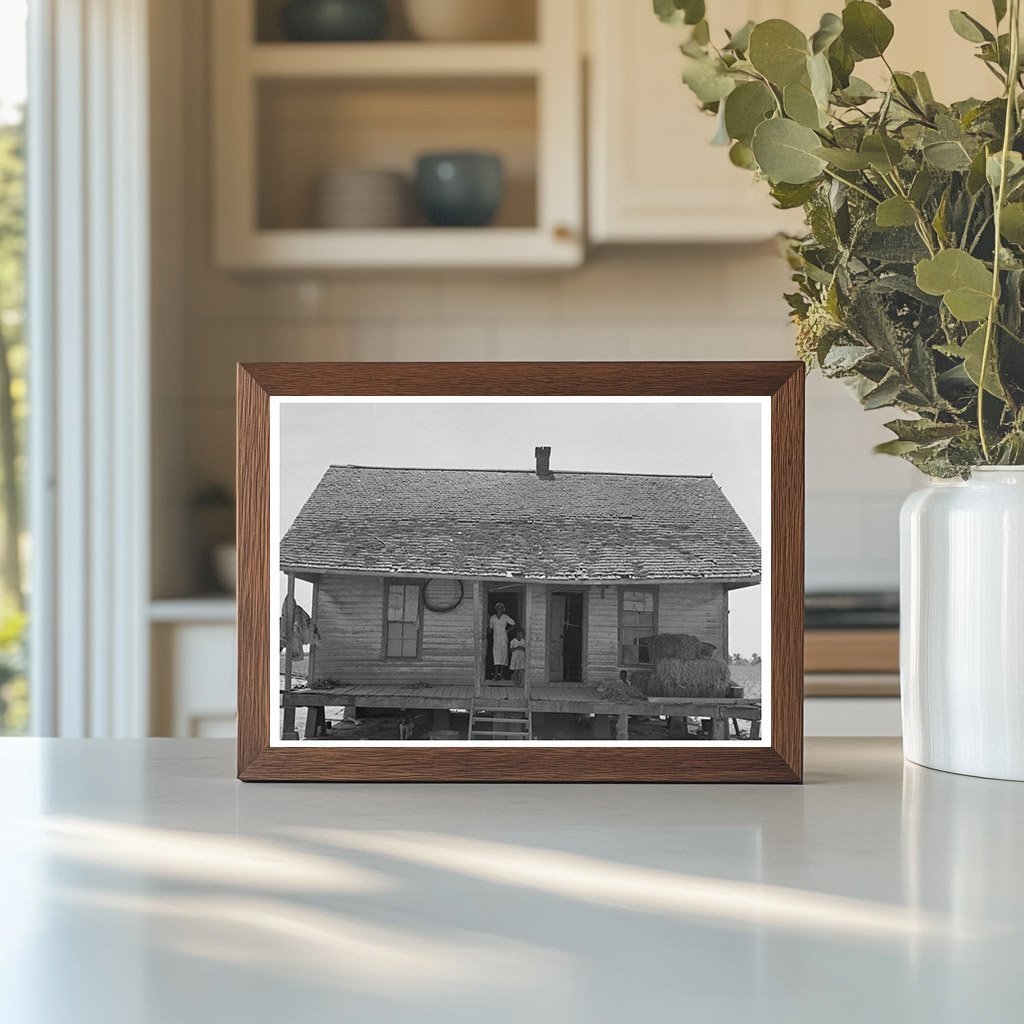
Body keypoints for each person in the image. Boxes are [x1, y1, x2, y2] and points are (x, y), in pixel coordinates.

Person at [488, 602, 516, 680]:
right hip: (496, 638)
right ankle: (496, 675)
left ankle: (502, 675)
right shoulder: (492, 618)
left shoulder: (505, 617)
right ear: (496, 609)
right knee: (496, 655)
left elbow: (514, 624)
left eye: (500, 608)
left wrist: (507, 631)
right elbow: (490, 629)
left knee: (503, 655)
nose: (499, 609)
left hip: (503, 638)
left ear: (502, 609)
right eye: (498, 608)